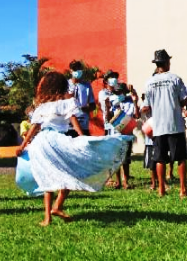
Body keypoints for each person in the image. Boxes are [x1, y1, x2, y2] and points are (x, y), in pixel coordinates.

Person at [15, 72, 131, 226]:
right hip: (56, 140)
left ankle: (47, 218)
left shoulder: (41, 107)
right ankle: (57, 207)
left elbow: (34, 127)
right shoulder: (67, 102)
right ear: (62, 87)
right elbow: (73, 119)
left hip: (41, 142)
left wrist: (23, 145)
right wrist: (82, 135)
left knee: (46, 178)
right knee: (69, 173)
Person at [140, 49, 187, 198]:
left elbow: (146, 106)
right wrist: (185, 101)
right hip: (175, 124)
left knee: (160, 158)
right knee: (181, 158)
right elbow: (184, 100)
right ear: (167, 62)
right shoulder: (175, 79)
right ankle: (183, 189)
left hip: (158, 126)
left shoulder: (149, 82)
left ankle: (161, 189)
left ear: (156, 64)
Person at [104, 82, 139, 189]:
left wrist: (135, 100)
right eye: (117, 92)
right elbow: (108, 118)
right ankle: (118, 181)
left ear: (125, 92)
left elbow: (136, 115)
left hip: (127, 132)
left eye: (121, 92)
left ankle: (126, 180)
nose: (119, 94)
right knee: (116, 158)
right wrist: (107, 107)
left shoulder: (130, 100)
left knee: (126, 158)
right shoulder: (112, 100)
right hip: (115, 133)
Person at [67, 60, 96, 136]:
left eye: (79, 69)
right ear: (70, 71)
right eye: (75, 69)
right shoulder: (66, 85)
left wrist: (85, 109)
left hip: (83, 125)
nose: (77, 71)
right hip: (69, 126)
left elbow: (93, 105)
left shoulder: (87, 85)